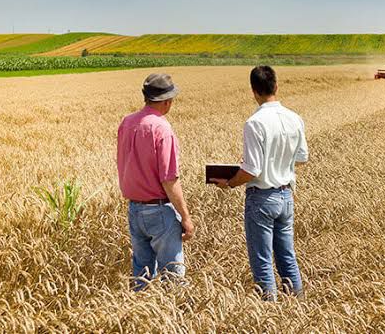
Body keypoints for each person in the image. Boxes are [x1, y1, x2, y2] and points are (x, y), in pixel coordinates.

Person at [211, 66, 308, 301]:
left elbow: (252, 170)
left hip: (262, 198)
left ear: (254, 91)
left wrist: (231, 182)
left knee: (262, 260)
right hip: (286, 196)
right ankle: (299, 306)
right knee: (287, 256)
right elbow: (302, 157)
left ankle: (269, 314)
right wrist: (279, 161)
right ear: (276, 86)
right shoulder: (295, 118)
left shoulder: (255, 122)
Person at [117, 73, 195, 290]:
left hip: (134, 209)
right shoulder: (162, 128)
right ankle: (173, 318)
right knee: (173, 276)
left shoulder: (127, 123)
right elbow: (169, 179)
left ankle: (139, 320)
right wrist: (186, 218)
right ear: (168, 101)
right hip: (159, 211)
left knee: (141, 273)